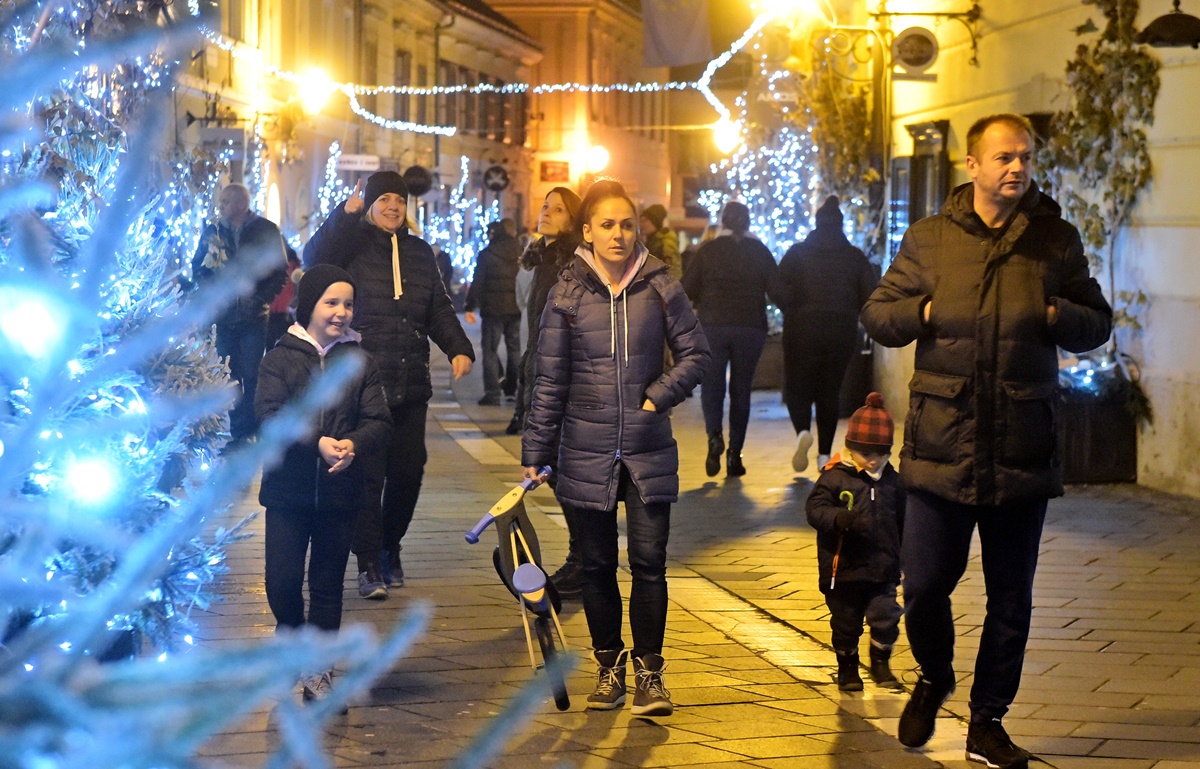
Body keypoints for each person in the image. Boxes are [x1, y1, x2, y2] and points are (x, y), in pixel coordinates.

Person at [861, 113, 1112, 768]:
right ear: (971, 165)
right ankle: (934, 675)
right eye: (1004, 157)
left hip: (1020, 445)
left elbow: (1097, 321)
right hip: (941, 444)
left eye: (1024, 156)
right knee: (924, 586)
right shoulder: (930, 238)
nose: (1017, 167)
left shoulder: (1054, 239)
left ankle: (987, 722)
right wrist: (922, 311)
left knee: (1011, 598)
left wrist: (1054, 312)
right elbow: (879, 313)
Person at [521, 179, 710, 717]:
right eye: (607, 225)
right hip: (585, 447)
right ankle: (610, 669)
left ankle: (651, 675)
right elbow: (549, 380)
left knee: (650, 564)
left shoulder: (660, 285)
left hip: (648, 447)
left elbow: (697, 354)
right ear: (587, 231)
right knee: (598, 565)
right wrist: (536, 452)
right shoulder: (566, 294)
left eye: (627, 224)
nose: (619, 234)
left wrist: (658, 396)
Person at [303, 170, 474, 600]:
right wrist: (345, 215)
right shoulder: (351, 244)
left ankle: (389, 544)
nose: (393, 207)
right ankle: (369, 564)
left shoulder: (419, 252)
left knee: (408, 472)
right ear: (371, 205)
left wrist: (459, 348)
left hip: (410, 381)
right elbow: (315, 258)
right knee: (366, 477)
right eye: (384, 200)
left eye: (399, 200)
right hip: (362, 385)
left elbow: (438, 308)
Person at [255, 264, 392, 706]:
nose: (341, 312)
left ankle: (319, 669)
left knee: (328, 586)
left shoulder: (360, 362)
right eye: (331, 302)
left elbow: (378, 420)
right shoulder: (279, 357)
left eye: (348, 304)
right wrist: (316, 442)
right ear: (310, 304)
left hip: (340, 493)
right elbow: (270, 415)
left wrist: (353, 444)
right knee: (281, 583)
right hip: (288, 493)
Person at [506, 187, 585, 598]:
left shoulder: (570, 262)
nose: (547, 212)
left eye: (559, 209)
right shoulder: (542, 258)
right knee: (555, 469)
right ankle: (584, 555)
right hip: (541, 367)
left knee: (562, 469)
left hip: (564, 376)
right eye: (545, 206)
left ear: (574, 220)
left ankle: (584, 558)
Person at [805, 392, 904, 692]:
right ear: (850, 448)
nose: (873, 459)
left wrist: (909, 553)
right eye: (865, 452)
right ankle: (847, 666)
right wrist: (838, 518)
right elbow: (815, 509)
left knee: (886, 616)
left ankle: (880, 662)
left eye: (880, 453)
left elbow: (906, 520)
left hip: (883, 569)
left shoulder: (894, 482)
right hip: (843, 569)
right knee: (846, 623)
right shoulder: (834, 478)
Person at [682, 200, 785, 477]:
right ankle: (734, 455)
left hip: (713, 326)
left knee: (712, 385)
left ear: (723, 222)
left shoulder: (708, 250)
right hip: (750, 327)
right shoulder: (759, 251)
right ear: (748, 223)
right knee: (741, 389)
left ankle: (714, 437)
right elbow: (778, 292)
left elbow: (686, 288)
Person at [778, 195, 877, 473]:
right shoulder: (855, 256)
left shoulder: (797, 253)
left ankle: (802, 432)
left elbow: (777, 286)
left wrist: (791, 308)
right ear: (841, 226)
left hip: (801, 330)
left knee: (798, 387)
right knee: (829, 392)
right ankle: (823, 455)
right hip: (841, 331)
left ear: (817, 223)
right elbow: (869, 295)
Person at [190, 183, 288, 450]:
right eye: (220, 202)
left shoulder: (265, 230)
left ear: (241, 205)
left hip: (253, 316)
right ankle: (239, 431)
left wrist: (260, 298)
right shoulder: (213, 231)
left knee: (253, 374)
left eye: (225, 202)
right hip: (224, 316)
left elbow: (280, 271)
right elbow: (198, 266)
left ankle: (255, 427)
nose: (220, 207)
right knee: (229, 375)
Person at [465, 219, 522, 405]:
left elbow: (478, 282)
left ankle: (492, 393)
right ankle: (512, 390)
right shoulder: (520, 252)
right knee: (514, 349)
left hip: (493, 310)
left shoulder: (487, 254)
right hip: (515, 308)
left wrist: (469, 306)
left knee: (490, 350)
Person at [266, 244, 303, 351]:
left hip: (277, 308)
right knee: (286, 342)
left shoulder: (276, 265)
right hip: (285, 309)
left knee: (271, 341)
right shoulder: (296, 266)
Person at [639, 204, 681, 279]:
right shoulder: (651, 240)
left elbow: (673, 270)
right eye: (641, 221)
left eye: (645, 220)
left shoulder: (666, 240)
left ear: (655, 222)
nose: (642, 224)